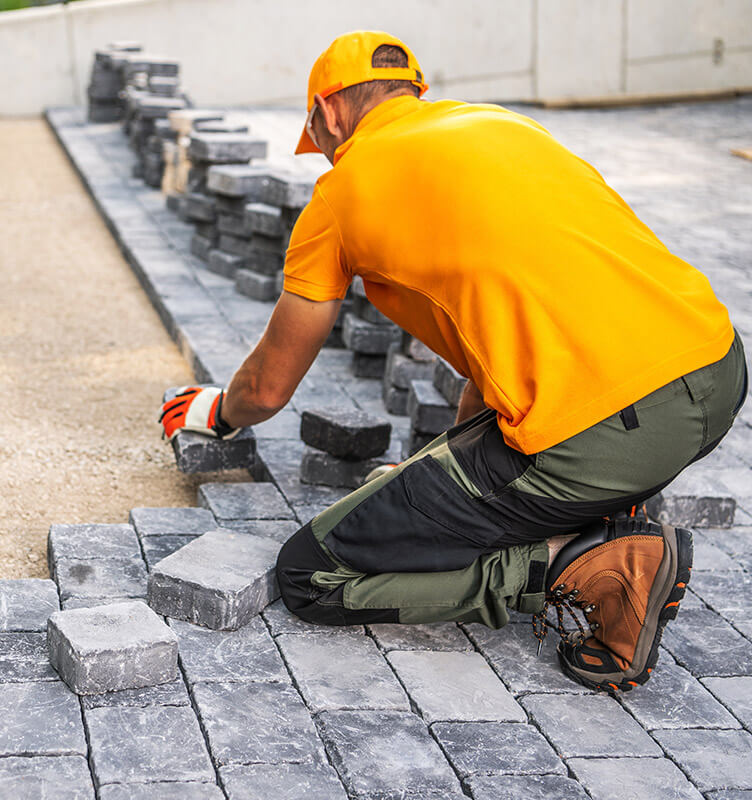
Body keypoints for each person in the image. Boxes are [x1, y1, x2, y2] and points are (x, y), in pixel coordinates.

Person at [159, 30, 747, 693]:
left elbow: (266, 389)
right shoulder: (503, 127)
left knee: (310, 574)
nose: (322, 155)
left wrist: (219, 412)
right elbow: (490, 366)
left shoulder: (342, 194)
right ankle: (603, 517)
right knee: (476, 483)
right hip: (718, 371)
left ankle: (586, 568)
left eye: (317, 140)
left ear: (328, 114)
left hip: (603, 433)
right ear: (413, 93)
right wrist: (432, 473)